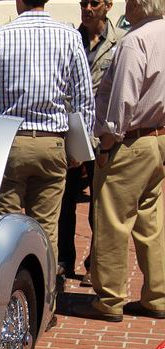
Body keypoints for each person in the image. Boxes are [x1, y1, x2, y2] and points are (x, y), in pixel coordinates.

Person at [0, 0, 95, 272]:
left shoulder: (0, 35)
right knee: (47, 231)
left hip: (10, 142)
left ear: (19, 1)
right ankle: (47, 305)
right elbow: (84, 99)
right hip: (52, 142)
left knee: (3, 231)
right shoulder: (70, 36)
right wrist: (79, 149)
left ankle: (7, 300)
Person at [74, 0, 165, 322]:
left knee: (112, 221)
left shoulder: (135, 40)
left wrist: (107, 143)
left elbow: (122, 99)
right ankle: (157, 295)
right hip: (158, 138)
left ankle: (109, 299)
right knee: (151, 222)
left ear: (139, 5)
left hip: (131, 141)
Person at [58, 0, 122, 279]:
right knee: (64, 202)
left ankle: (94, 266)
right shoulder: (70, 39)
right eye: (83, 3)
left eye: (94, 3)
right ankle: (63, 260)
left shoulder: (120, 42)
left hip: (103, 135)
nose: (87, 8)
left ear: (107, 6)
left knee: (100, 206)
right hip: (71, 133)